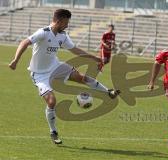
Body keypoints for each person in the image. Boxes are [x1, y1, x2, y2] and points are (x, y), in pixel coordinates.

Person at [9, 9, 120, 144]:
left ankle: (109, 92)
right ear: (59, 21)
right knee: (51, 101)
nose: (67, 25)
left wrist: (94, 58)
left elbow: (75, 49)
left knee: (82, 77)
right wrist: (15, 60)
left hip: (56, 67)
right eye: (66, 22)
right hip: (39, 74)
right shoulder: (43, 32)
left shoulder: (63, 36)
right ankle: (53, 132)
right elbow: (24, 42)